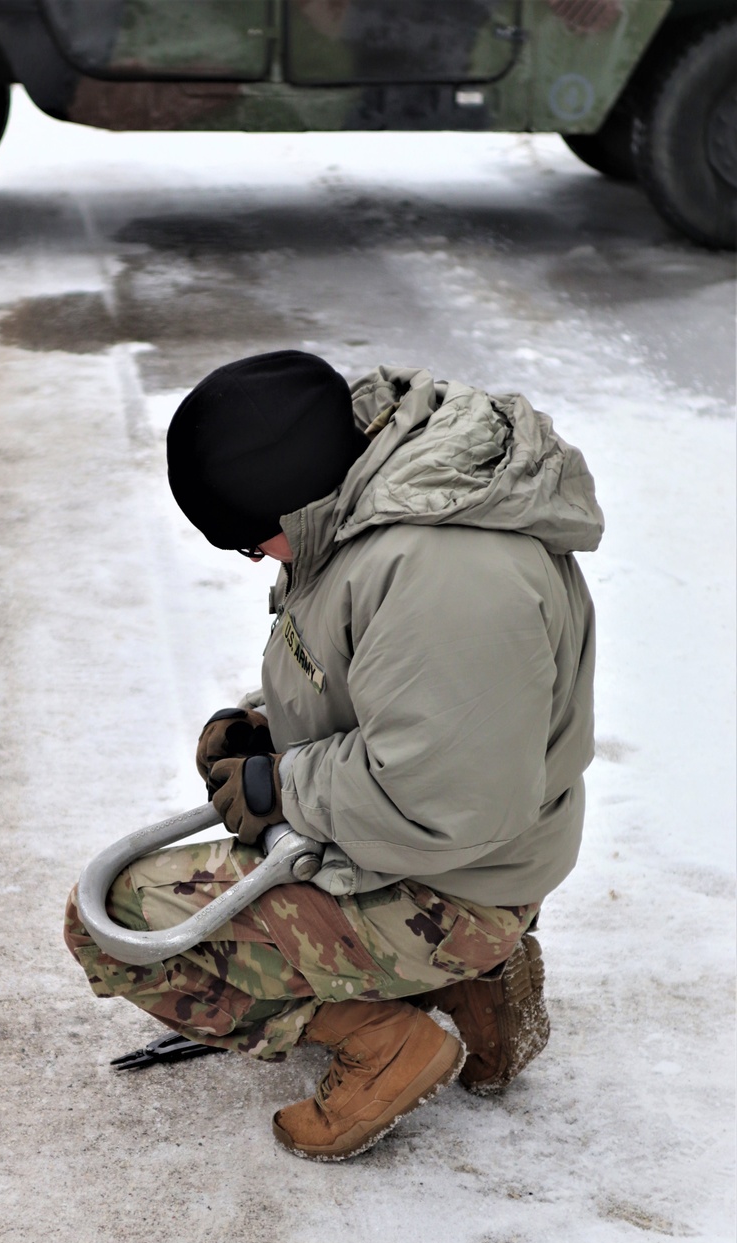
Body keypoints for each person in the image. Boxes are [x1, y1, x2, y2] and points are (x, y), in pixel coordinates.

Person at [64, 351, 601, 1161]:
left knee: (112, 925)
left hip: (452, 875)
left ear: (290, 498)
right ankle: (474, 991)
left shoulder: (445, 573)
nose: (261, 561)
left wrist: (282, 785)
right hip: (474, 857)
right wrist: (265, 729)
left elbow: (446, 797)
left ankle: (388, 1037)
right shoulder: (374, 498)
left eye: (253, 545)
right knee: (198, 862)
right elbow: (390, 687)